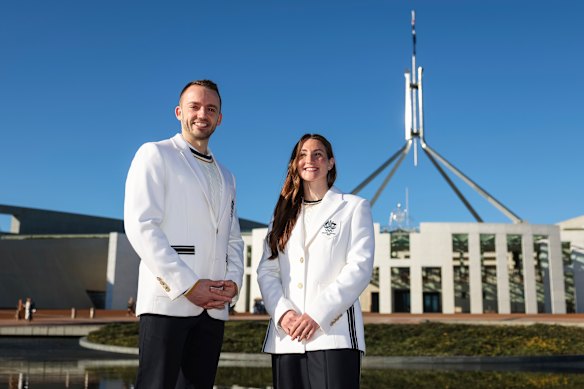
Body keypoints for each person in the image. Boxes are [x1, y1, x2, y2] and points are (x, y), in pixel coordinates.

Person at [124, 79, 244, 389]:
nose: (202, 113)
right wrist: (188, 285)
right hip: (169, 301)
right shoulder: (155, 154)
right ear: (179, 112)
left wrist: (232, 283)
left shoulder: (228, 176)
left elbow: (232, 238)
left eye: (211, 109)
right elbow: (141, 226)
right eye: (195, 106)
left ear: (219, 118)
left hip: (213, 309)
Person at [257, 133, 375, 389]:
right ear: (295, 163)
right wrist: (283, 313)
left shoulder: (354, 208)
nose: (310, 160)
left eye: (318, 154)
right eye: (302, 155)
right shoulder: (281, 214)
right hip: (286, 338)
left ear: (330, 162)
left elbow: (359, 269)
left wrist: (317, 315)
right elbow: (267, 271)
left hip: (333, 335)